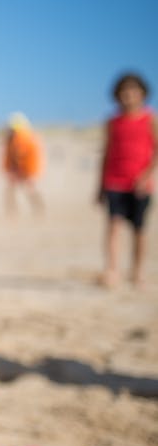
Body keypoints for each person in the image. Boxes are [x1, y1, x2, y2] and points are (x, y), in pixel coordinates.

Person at [97, 72, 156, 288]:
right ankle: (112, 270)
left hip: (140, 184)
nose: (128, 95)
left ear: (142, 94)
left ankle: (137, 271)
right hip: (114, 181)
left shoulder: (150, 119)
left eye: (133, 91)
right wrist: (99, 186)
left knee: (139, 230)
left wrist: (146, 176)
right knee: (113, 226)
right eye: (123, 91)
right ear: (117, 95)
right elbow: (106, 154)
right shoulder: (112, 122)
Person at [2, 112, 44, 218]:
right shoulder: (14, 138)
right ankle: (13, 212)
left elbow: (21, 155)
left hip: (27, 169)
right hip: (21, 169)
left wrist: (21, 171)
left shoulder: (23, 138)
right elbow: (10, 156)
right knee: (12, 190)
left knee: (29, 189)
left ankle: (38, 209)